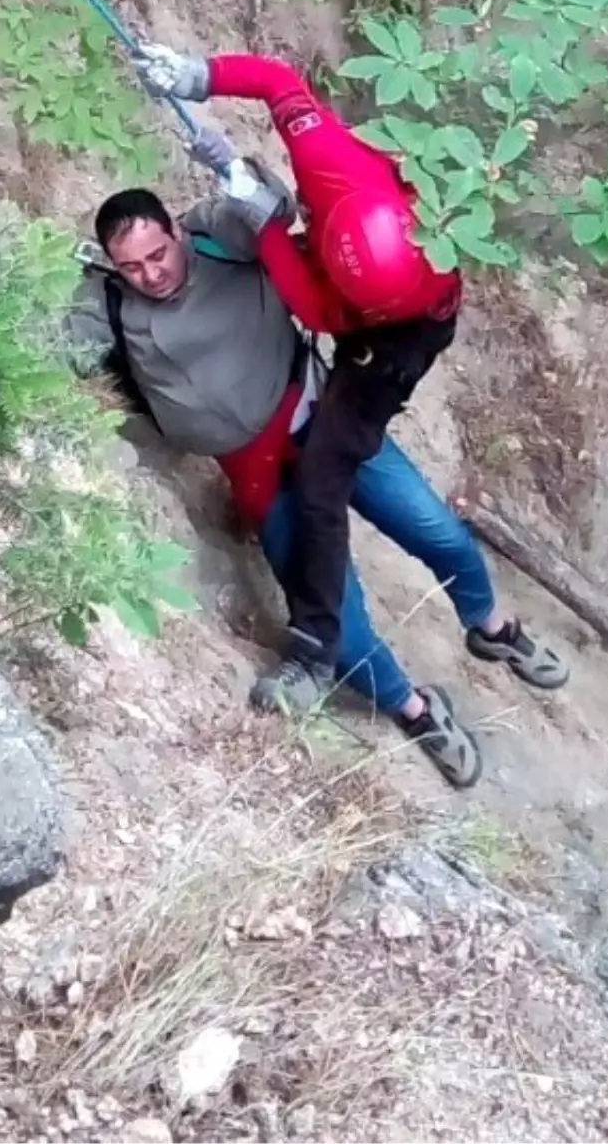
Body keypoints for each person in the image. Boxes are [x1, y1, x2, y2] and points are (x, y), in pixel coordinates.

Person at [66, 171, 567, 786]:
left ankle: (492, 628)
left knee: (437, 532)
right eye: (132, 266)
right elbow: (62, 351)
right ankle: (418, 711)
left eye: (157, 253)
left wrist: (243, 173)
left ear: (174, 231)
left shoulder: (215, 235)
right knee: (340, 634)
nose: (151, 274)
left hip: (325, 423)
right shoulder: (110, 304)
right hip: (259, 476)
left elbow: (271, 209)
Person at [131, 44, 563, 713]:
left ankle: (487, 627)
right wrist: (197, 76)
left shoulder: (401, 300)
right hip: (344, 295)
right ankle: (388, 688)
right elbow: (277, 82)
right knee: (325, 508)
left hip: (391, 343)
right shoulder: (332, 163)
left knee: (329, 490)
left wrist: (258, 212)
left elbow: (317, 308)